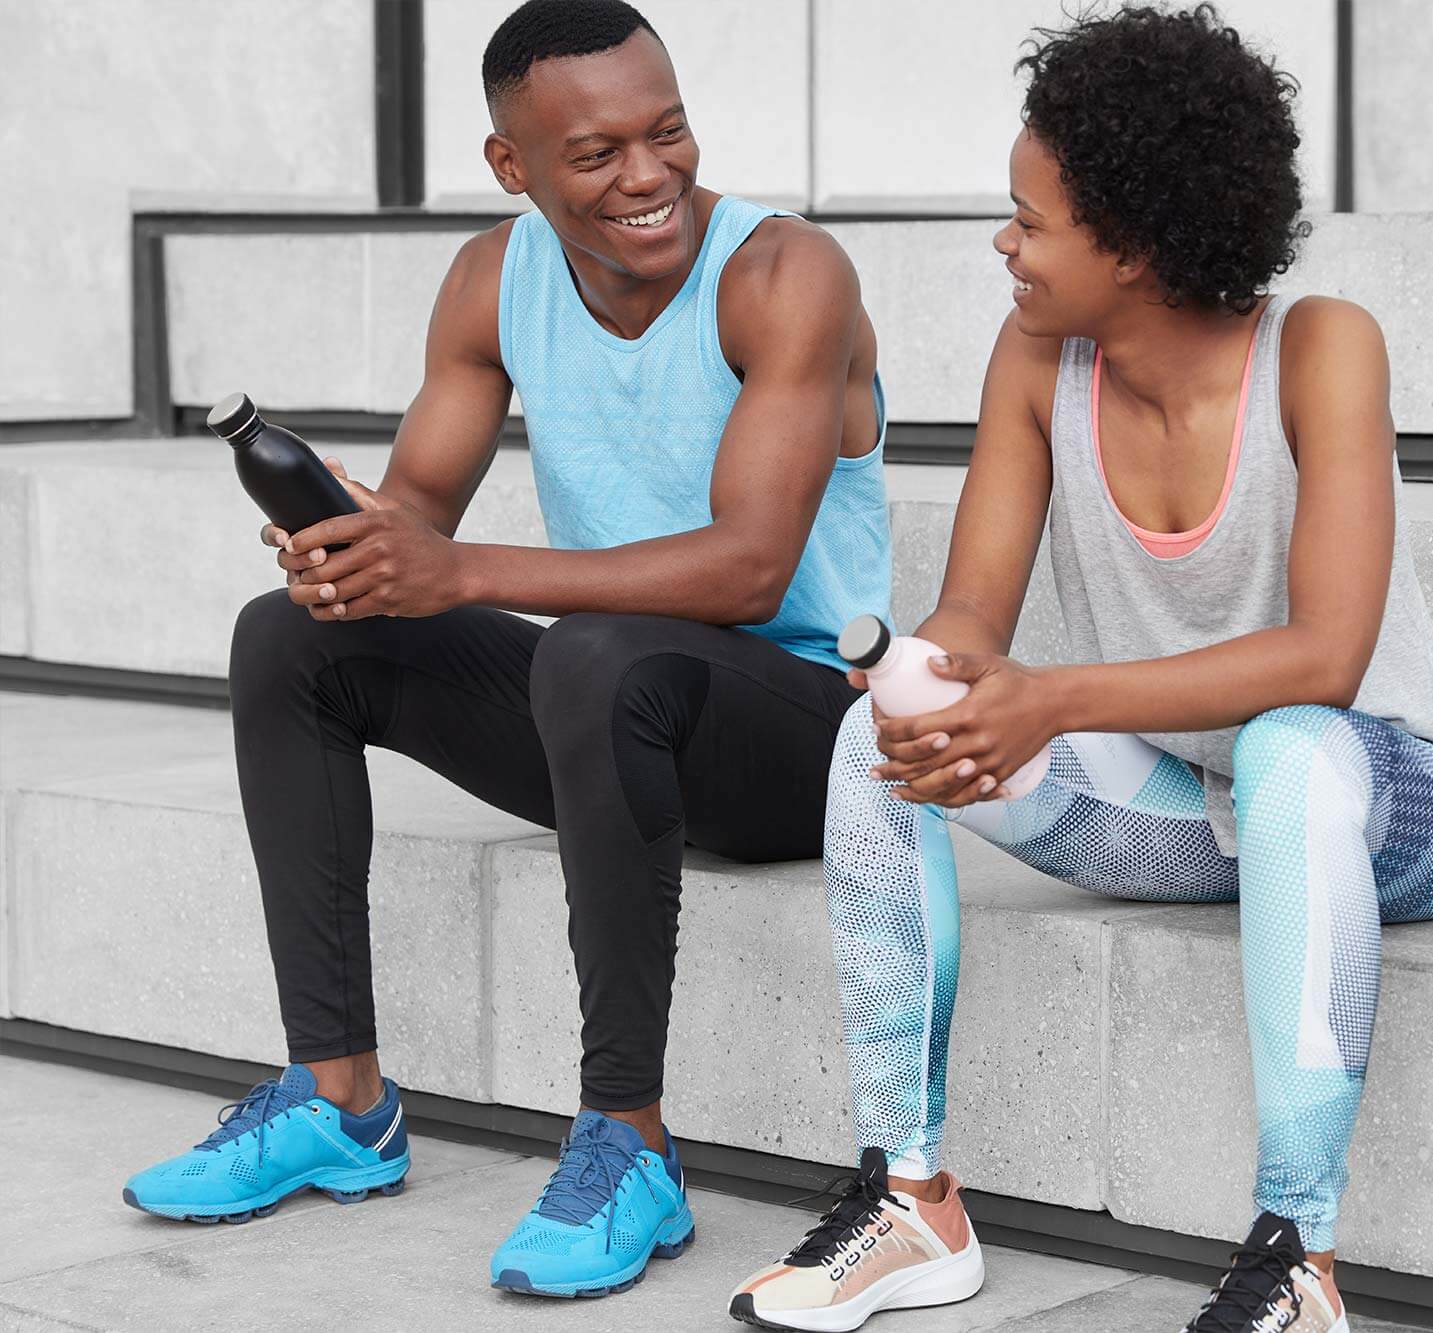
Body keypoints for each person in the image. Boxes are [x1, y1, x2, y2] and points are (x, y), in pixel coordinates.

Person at [729, 6, 1433, 1331]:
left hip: (1402, 804)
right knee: (877, 737)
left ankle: (1298, 1262)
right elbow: (977, 605)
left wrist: (1056, 693)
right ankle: (910, 1201)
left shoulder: (1323, 350)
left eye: (1031, 222)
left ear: (1140, 245)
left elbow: (1322, 658)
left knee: (1288, 748)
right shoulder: (1038, 360)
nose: (1006, 245)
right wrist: (931, 681)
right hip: (1193, 807)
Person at [121, 0, 892, 1301]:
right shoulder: (491, 278)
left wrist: (462, 568)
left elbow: (752, 560)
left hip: (804, 733)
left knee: (590, 655)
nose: (650, 176)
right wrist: (357, 545)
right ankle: (340, 1097)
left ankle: (629, 1145)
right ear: (512, 168)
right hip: (618, 714)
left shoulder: (783, 274)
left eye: (669, 132)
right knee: (293, 638)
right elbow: (421, 513)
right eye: (597, 154)